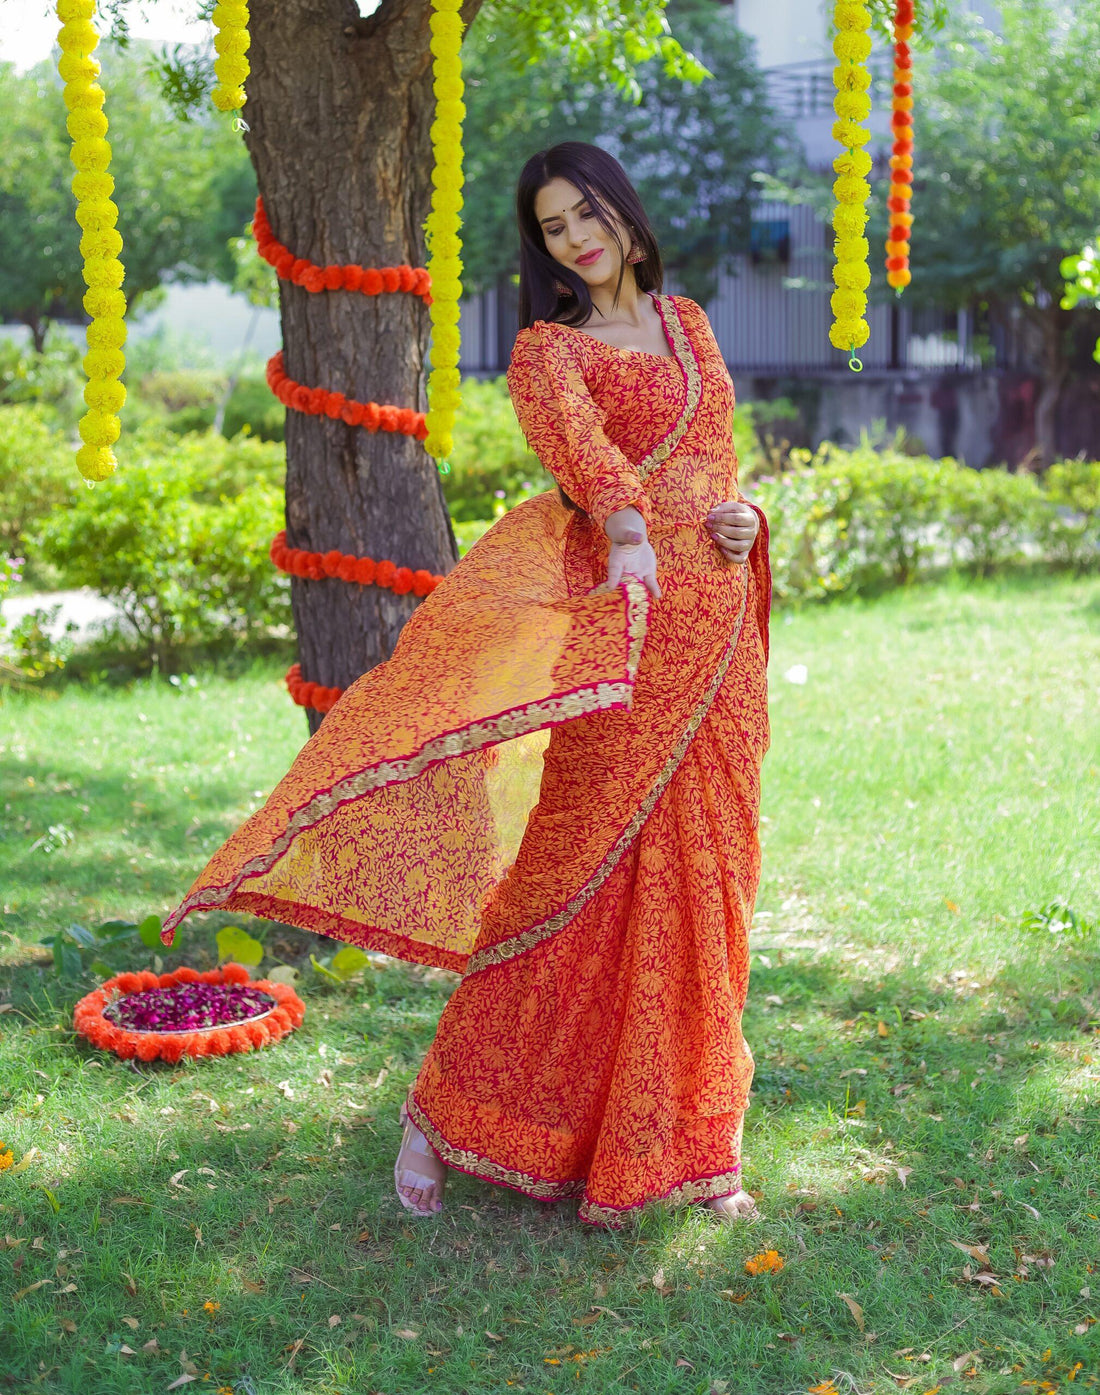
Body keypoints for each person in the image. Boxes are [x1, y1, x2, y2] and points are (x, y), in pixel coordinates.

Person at [160, 140, 771, 1231]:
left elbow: (716, 465)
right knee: (563, 887)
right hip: (623, 640)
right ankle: (437, 1116)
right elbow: (587, 465)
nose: (577, 237)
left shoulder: (688, 325)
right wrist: (628, 533)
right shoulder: (548, 352)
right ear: (540, 248)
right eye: (552, 226)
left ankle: (686, 1144)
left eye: (588, 213)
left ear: (625, 216)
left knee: (705, 890)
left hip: (717, 643)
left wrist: (745, 521)